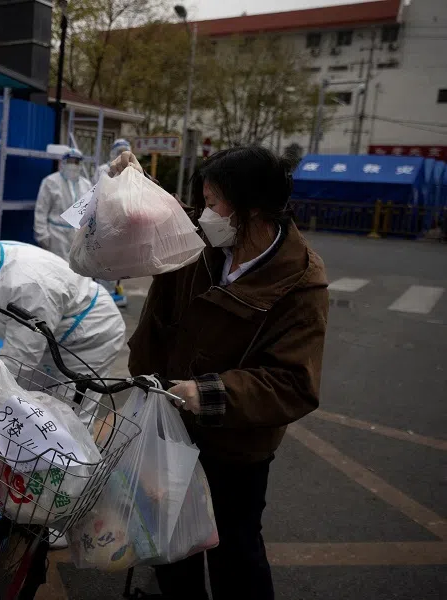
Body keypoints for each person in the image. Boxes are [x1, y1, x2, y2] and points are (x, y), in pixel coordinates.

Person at [121, 146, 329, 600]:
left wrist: (209, 393)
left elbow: (292, 382)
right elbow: (154, 221)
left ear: (252, 208)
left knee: (235, 548)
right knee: (172, 543)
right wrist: (129, 185)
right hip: (170, 425)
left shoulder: (300, 281)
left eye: (214, 202)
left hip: (236, 447)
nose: (204, 213)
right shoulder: (203, 241)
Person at [0, 234, 125, 427]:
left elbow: (21, 357)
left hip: (89, 337)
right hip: (50, 338)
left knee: (69, 419)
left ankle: (80, 456)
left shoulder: (25, 285)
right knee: (30, 410)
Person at [34, 148, 92, 261]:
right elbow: (41, 210)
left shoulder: (86, 185)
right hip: (56, 236)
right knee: (56, 269)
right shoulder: (51, 182)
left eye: (76, 162)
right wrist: (43, 235)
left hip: (78, 236)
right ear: (63, 163)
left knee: (78, 272)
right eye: (70, 162)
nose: (73, 165)